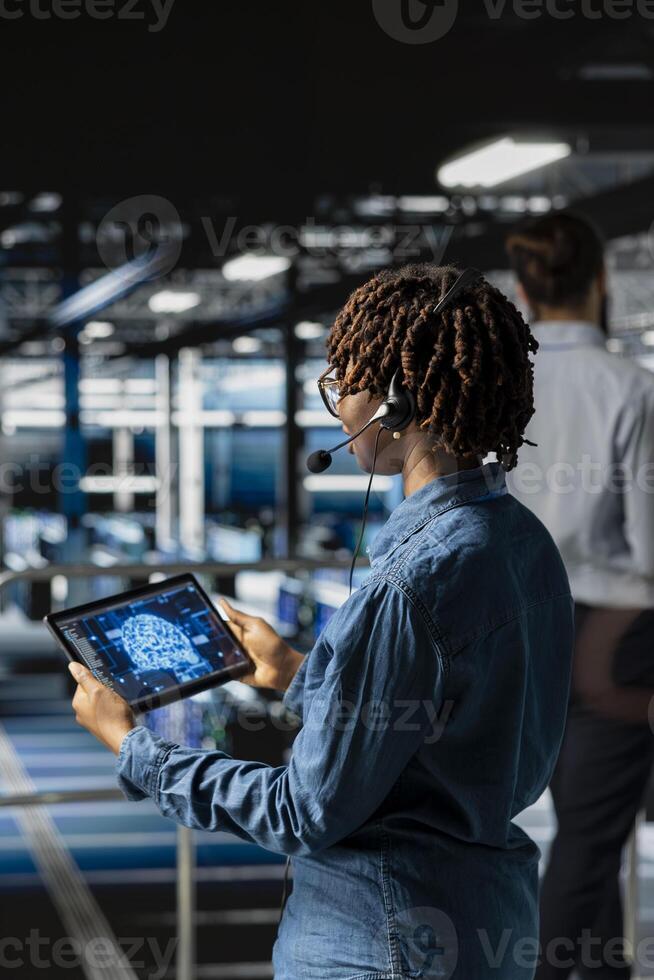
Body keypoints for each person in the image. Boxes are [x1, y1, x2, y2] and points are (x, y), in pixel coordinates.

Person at [69, 263, 574, 980]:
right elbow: (445, 727)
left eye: (345, 382)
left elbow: (302, 812)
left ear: (399, 401)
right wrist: (302, 677)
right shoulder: (522, 544)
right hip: (487, 919)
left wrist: (133, 747)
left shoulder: (408, 587)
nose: (338, 407)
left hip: (382, 940)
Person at [506, 211, 654, 979]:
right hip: (616, 635)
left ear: (524, 291)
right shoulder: (632, 388)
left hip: (524, 626)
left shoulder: (503, 387)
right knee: (592, 843)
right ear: (602, 282)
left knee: (577, 823)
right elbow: (650, 548)